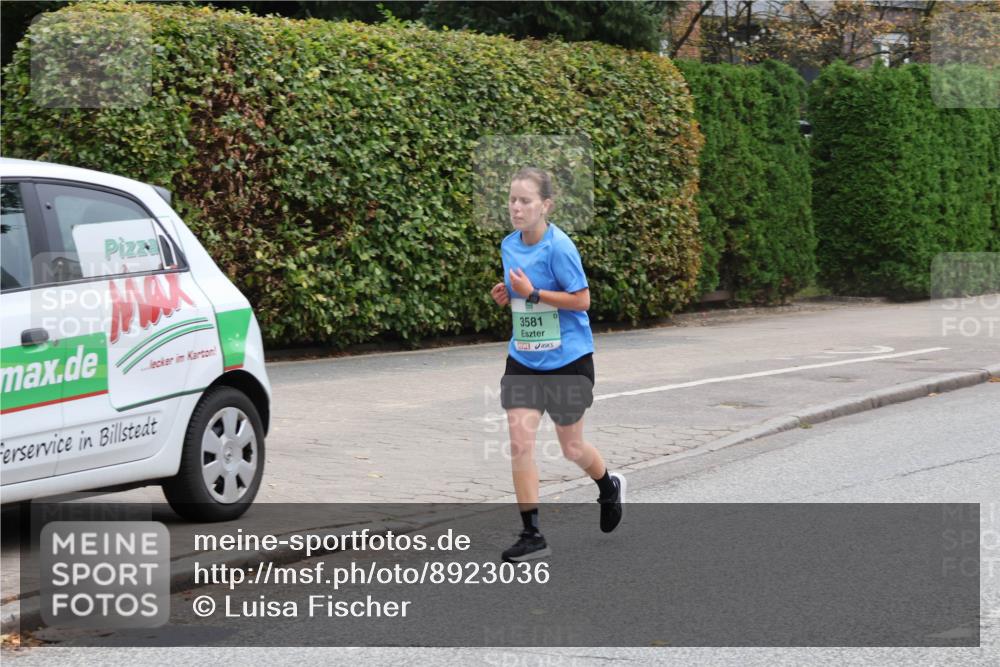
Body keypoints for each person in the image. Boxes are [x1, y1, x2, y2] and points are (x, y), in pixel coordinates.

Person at [489, 166, 625, 563]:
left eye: (525, 200)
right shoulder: (508, 245)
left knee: (572, 447)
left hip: (568, 360)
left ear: (545, 205)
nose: (516, 207)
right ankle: (532, 534)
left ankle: (608, 486)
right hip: (524, 359)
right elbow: (522, 299)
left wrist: (532, 294)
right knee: (519, 441)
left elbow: (582, 300)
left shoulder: (560, 246)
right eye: (512, 199)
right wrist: (508, 296)